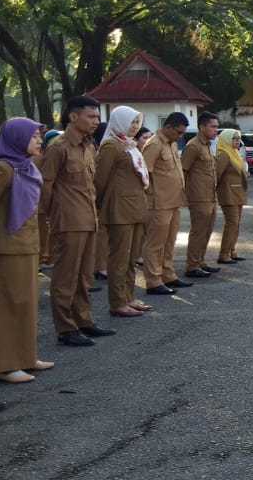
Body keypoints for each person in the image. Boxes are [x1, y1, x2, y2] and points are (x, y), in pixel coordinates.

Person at [39, 96, 116, 346]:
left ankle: (84, 320)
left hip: (88, 217)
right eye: (91, 116)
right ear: (73, 117)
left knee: (84, 276)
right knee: (65, 277)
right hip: (69, 220)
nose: (96, 121)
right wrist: (53, 214)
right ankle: (65, 327)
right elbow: (46, 186)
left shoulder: (88, 145)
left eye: (97, 117)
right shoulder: (59, 147)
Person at [0, 118, 55, 383]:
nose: (38, 141)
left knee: (27, 304)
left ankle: (25, 356)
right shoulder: (4, 169)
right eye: (33, 136)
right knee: (9, 306)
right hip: (8, 248)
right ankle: (5, 364)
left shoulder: (25, 165)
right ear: (17, 139)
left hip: (28, 244)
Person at [94, 106, 152, 318]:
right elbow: (100, 180)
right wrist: (101, 204)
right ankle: (117, 302)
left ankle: (129, 297)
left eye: (137, 122)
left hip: (135, 207)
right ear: (119, 122)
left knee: (131, 258)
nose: (135, 126)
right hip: (120, 209)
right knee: (119, 258)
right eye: (131, 122)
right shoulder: (111, 146)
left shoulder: (130, 145)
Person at [141, 113, 192, 296]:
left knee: (169, 241)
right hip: (159, 203)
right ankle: (153, 280)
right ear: (168, 127)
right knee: (155, 243)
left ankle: (167, 274)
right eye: (178, 132)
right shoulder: (154, 144)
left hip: (173, 201)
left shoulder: (170, 144)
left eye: (182, 134)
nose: (180, 137)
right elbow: (145, 174)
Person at [182, 113, 220, 279]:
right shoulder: (193, 146)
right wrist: (184, 195)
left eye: (216, 127)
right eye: (213, 126)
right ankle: (192, 265)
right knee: (198, 231)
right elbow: (183, 171)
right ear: (202, 127)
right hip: (198, 196)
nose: (215, 130)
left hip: (210, 195)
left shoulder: (206, 145)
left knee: (207, 231)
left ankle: (200, 261)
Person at [215, 129, 248, 264]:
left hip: (238, 193)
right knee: (232, 223)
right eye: (234, 138)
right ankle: (224, 254)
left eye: (238, 138)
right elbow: (216, 175)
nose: (237, 141)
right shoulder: (224, 154)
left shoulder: (234, 153)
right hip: (228, 194)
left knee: (236, 224)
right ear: (227, 140)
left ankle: (231, 251)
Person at [35, 129, 62, 269]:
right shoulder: (39, 157)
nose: (38, 141)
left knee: (47, 231)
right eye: (34, 137)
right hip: (40, 201)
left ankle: (47, 257)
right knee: (42, 231)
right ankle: (42, 258)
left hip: (44, 201)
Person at [130, 126, 152, 268]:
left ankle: (141, 254)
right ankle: (137, 255)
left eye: (150, 137)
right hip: (135, 197)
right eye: (144, 138)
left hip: (147, 196)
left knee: (146, 228)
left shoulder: (146, 153)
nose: (148, 141)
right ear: (136, 140)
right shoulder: (132, 154)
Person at [91, 121, 109, 285]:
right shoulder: (105, 148)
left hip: (109, 198)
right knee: (102, 232)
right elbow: (101, 178)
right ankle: (101, 266)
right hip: (102, 197)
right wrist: (100, 198)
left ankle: (103, 265)